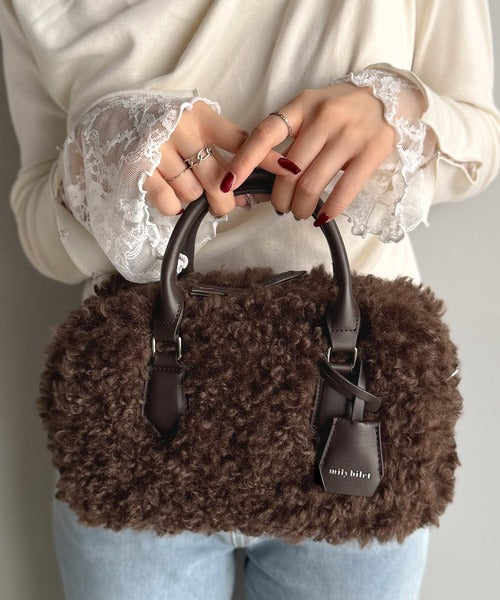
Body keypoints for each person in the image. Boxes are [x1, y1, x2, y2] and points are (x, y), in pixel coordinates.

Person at [1, 1, 499, 598]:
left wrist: (397, 110)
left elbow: (480, 139)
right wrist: (95, 163)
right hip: (136, 430)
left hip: (357, 418)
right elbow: (39, 233)